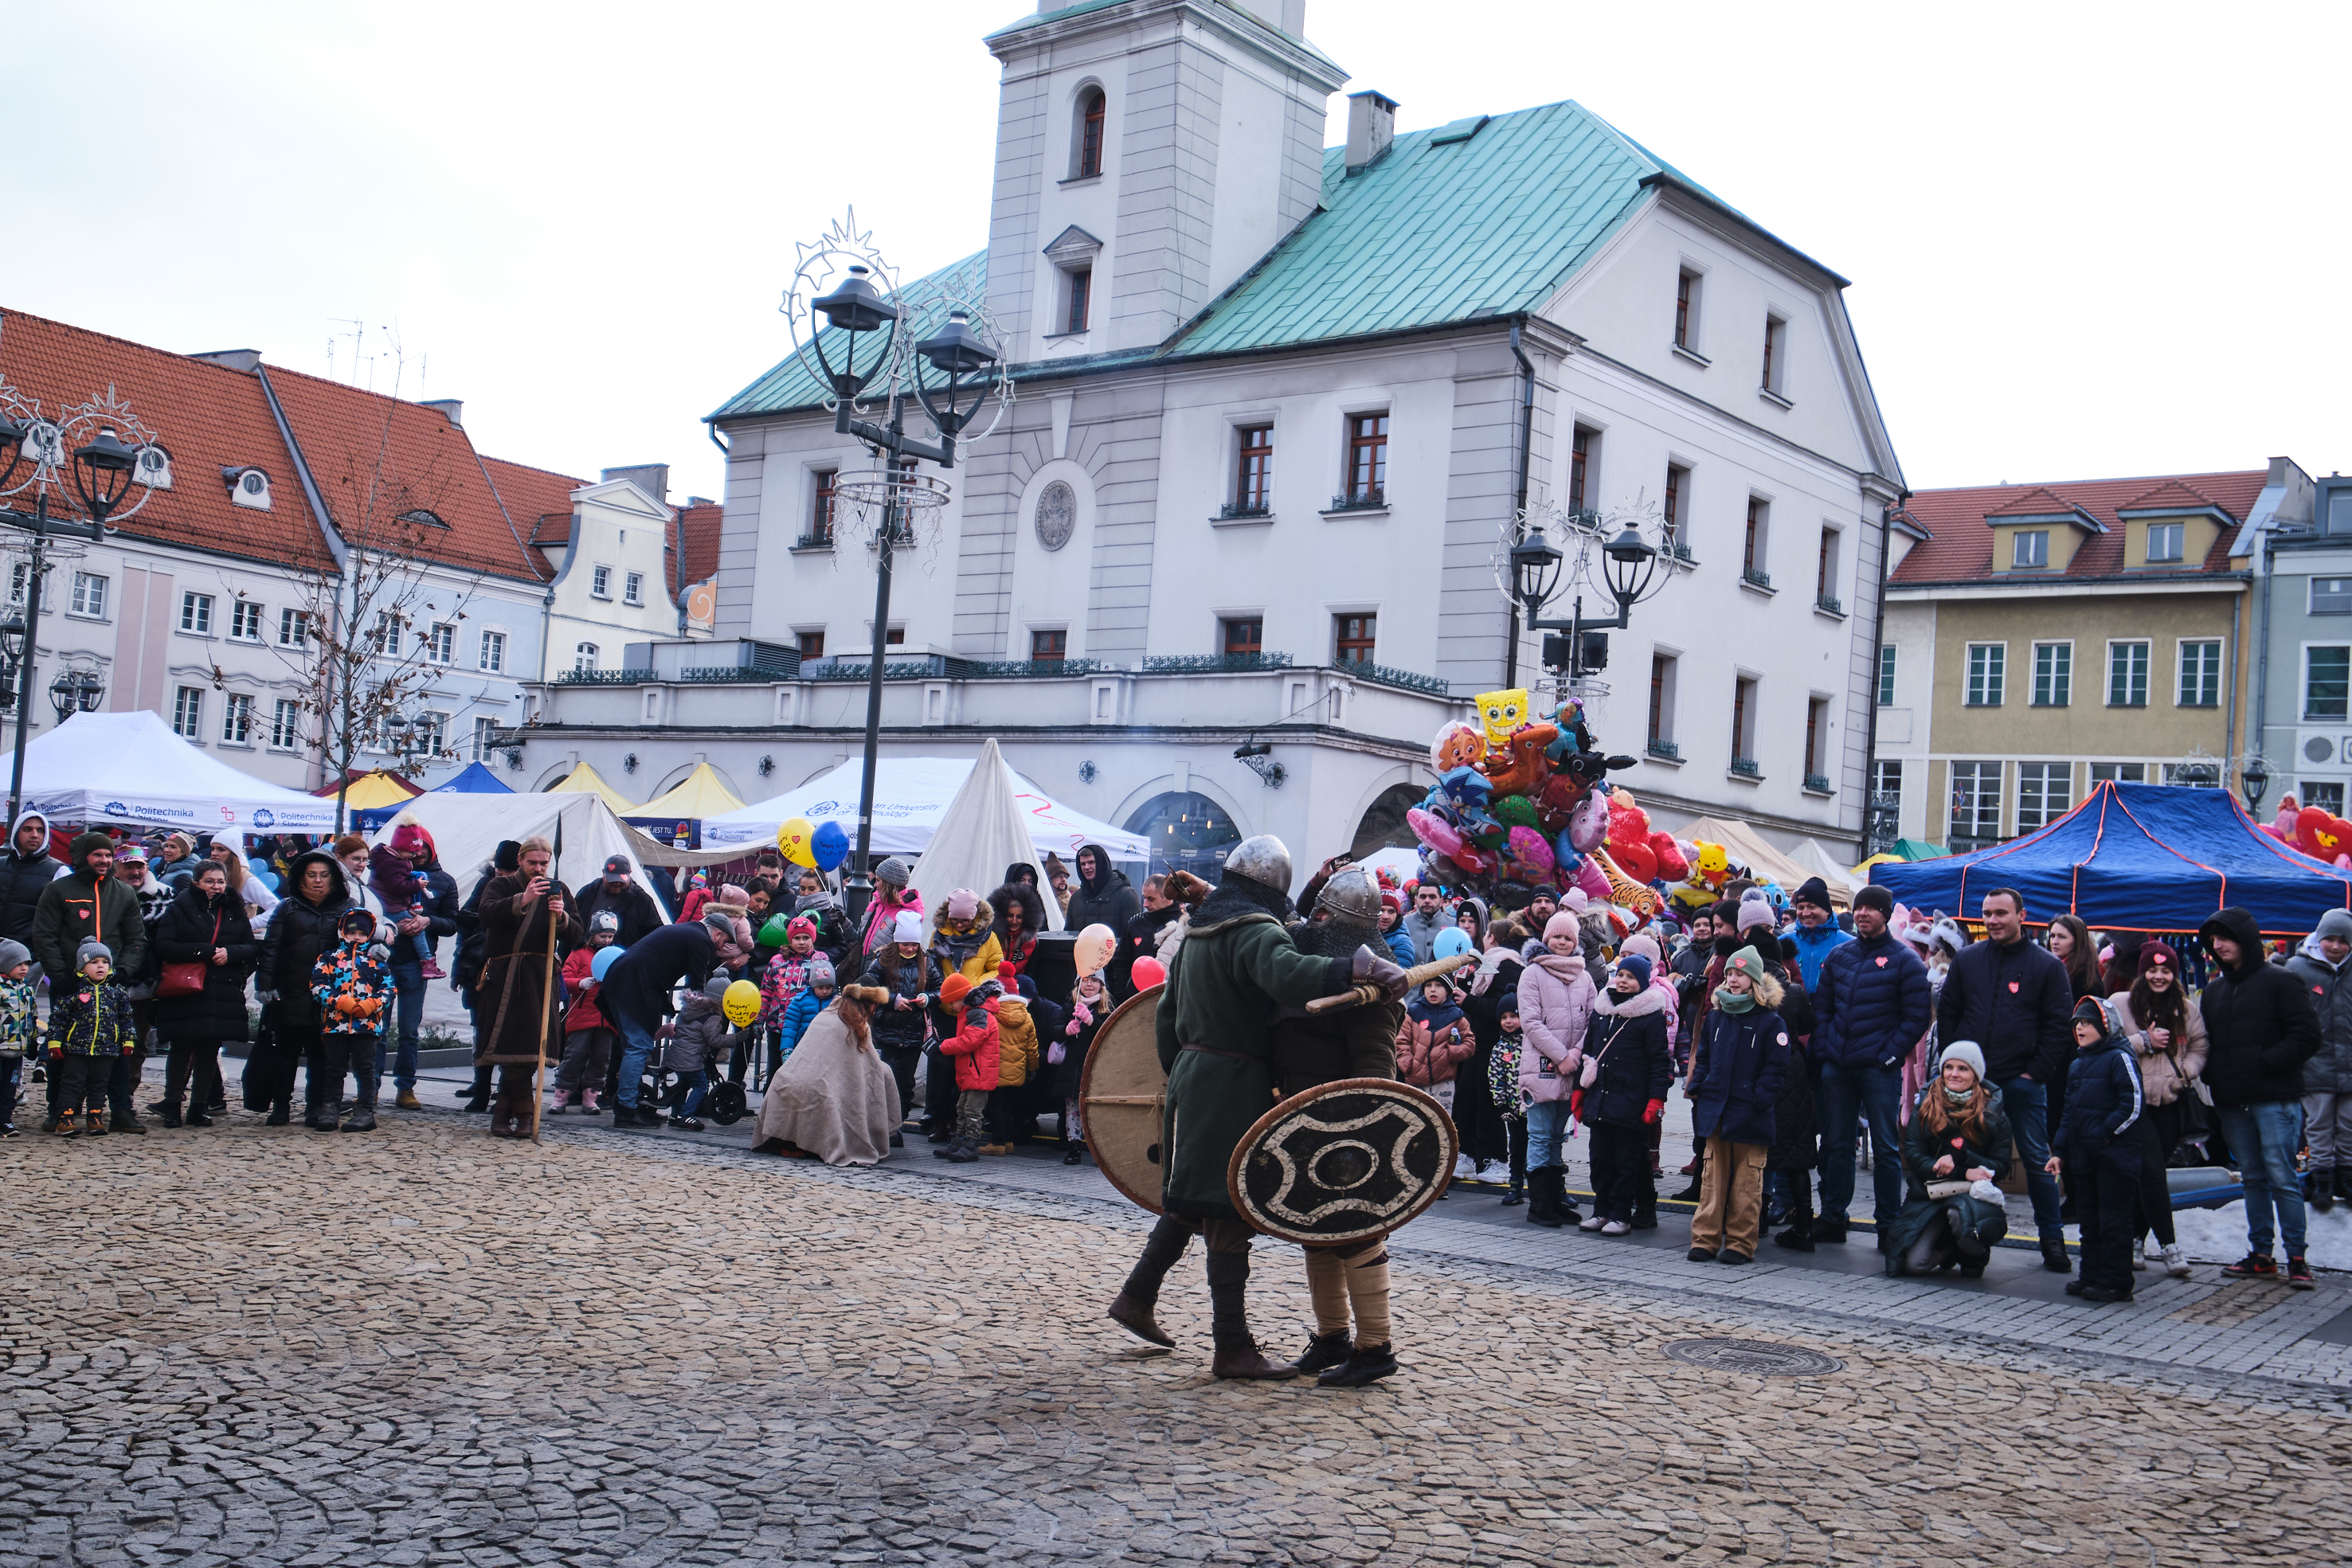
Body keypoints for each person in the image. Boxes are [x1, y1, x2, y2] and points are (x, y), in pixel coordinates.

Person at [1103, 835, 1407, 1381]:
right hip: (1234, 1080)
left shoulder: (1199, 928)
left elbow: (1167, 1016)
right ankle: (1234, 1347)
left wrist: (1187, 1073)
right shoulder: (1252, 929)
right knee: (1223, 1213)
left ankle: (1138, 1295)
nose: (1305, 919)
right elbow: (1286, 972)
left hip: (1199, 1075)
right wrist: (1352, 965)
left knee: (1194, 1201)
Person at [1259, 865, 1410, 1387]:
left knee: (1355, 1230)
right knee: (1315, 1230)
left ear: (1342, 922)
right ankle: (1330, 1338)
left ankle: (1375, 1346)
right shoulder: (1319, 957)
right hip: (1299, 1117)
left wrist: (1352, 1133)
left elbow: (1375, 1068)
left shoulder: (1375, 985)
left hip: (1346, 1126)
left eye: (1324, 913)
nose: (1313, 919)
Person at [1935, 888, 2075, 1272]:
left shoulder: (2046, 966)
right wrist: (1955, 1067)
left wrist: (2035, 1073)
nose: (1992, 920)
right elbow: (1948, 1015)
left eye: (2001, 913)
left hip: (2022, 1082)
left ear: (2021, 916)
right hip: (1972, 1086)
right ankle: (1967, 1242)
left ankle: (2052, 1240)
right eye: (1987, 913)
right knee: (1962, 1157)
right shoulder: (1968, 959)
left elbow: (2058, 1027)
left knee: (2036, 1160)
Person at [2198, 906, 2322, 1288]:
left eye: (2226, 937)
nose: (2219, 946)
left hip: (2275, 1097)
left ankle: (2297, 1257)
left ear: (2246, 940)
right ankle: (2262, 1254)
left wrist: (2264, 1064)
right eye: (2213, 940)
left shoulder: (2281, 981)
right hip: (2233, 1102)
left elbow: (2306, 1036)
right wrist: (2215, 1078)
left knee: (2282, 1177)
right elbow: (2211, 1043)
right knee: (2252, 1178)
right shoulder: (2215, 990)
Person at [1809, 885, 1933, 1250]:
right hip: (1838, 1066)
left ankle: (1888, 1225)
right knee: (1836, 1144)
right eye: (1859, 908)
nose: (1862, 914)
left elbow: (1916, 1018)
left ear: (1884, 913)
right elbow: (1824, 1009)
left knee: (1885, 1148)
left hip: (1878, 1070)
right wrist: (1827, 1050)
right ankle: (1833, 1216)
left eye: (1871, 909)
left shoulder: (1905, 960)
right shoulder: (1840, 955)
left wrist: (1889, 1056)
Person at [32, 833, 147, 1133]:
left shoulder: (123, 893)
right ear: (84, 856)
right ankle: (59, 1110)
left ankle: (120, 1109)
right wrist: (59, 976)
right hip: (71, 987)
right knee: (63, 1052)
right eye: (98, 855)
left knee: (119, 1051)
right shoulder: (58, 890)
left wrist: (123, 971)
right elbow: (44, 936)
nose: (104, 861)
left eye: (109, 856)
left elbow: (136, 938)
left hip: (110, 989)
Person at [1685, 946, 1791, 1265]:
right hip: (1716, 1108)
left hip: (1751, 1111)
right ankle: (1705, 1239)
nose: (1732, 979)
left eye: (1740, 974)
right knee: (1711, 1180)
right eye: (1730, 973)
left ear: (1754, 979)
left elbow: (1777, 1068)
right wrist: (1699, 1086)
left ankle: (1741, 1243)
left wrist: (1760, 1096)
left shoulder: (1771, 1021)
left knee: (1747, 1183)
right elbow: (1703, 1056)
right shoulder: (1717, 1016)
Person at [472, 836, 581, 1138]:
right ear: (520, 861)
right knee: (508, 1046)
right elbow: (486, 914)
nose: (538, 869)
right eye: (532, 863)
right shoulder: (501, 885)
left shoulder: (559, 889)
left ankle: (502, 1116)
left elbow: (577, 933)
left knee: (531, 1049)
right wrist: (523, 899)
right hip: (505, 975)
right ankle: (523, 1114)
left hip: (540, 977)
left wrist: (561, 916)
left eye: (544, 864)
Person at [2106, 941, 2203, 1277]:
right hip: (2133, 1103)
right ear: (2142, 971)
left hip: (2170, 1103)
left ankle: (2135, 1238)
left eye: (2165, 970)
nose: (2158, 976)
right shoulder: (2122, 1003)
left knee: (2151, 1174)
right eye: (2152, 969)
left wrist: (2187, 1073)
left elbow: (2200, 1046)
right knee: (2151, 1171)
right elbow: (2104, 1043)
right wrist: (2143, 1042)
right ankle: (2169, 1246)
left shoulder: (2186, 1009)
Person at [1884, 1041, 2013, 1278]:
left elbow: (2001, 1166)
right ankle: (1950, 1247)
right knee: (1913, 1265)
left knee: (1959, 1216)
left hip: (1971, 1194)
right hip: (1929, 1193)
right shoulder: (1924, 1105)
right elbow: (1914, 1156)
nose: (1954, 1074)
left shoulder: (1996, 1114)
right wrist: (1960, 1171)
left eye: (1963, 1069)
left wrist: (1965, 1160)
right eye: (1949, 1067)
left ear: (1976, 1075)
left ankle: (1974, 1252)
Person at [150, 860, 258, 1129]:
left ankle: (199, 1106)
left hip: (221, 988)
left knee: (210, 1049)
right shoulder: (179, 908)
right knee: (182, 1048)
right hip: (187, 990)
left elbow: (250, 946)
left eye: (220, 881)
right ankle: (172, 1105)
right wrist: (203, 951)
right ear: (197, 882)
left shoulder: (233, 908)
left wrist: (230, 953)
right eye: (210, 881)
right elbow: (164, 946)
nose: (216, 886)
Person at [253, 850, 358, 1128]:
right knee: (285, 1055)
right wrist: (266, 985)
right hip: (290, 991)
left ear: (334, 878)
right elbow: (271, 948)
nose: (318, 881)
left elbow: (360, 945)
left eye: (324, 875)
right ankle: (281, 1107)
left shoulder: (347, 907)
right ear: (301, 877)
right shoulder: (287, 907)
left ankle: (315, 1106)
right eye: (312, 875)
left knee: (321, 1056)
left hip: (330, 995)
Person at [2050, 998, 2146, 1303]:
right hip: (2084, 1156)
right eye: (2076, 1023)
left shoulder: (2120, 1058)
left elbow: (2132, 1104)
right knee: (2089, 1219)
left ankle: (2115, 1281)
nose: (2080, 1028)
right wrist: (2060, 1150)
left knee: (2113, 1220)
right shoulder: (2078, 1063)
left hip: (2113, 1157)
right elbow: (2069, 1111)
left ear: (2106, 1026)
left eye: (2087, 1022)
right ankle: (2090, 1274)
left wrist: (2105, 1134)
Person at [600, 907, 729, 1128]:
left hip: (623, 979)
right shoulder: (702, 940)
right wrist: (701, 1018)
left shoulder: (688, 931)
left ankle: (631, 1103)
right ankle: (626, 1110)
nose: (721, 948)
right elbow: (696, 985)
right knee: (638, 1047)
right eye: (724, 941)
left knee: (633, 1046)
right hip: (632, 984)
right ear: (717, 934)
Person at [1575, 952, 1673, 1236]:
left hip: (1630, 1102)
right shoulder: (1602, 1010)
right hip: (1601, 1098)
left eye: (1630, 978)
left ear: (1643, 983)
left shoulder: (1650, 1017)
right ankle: (1601, 1210)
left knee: (1626, 1162)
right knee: (1600, 1159)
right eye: (1620, 975)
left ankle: (1621, 1213)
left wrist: (1656, 1099)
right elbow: (1588, 1053)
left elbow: (1659, 1061)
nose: (1623, 981)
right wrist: (1580, 1092)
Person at [752, 976, 900, 1163]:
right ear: (870, 1004)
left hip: (785, 1083)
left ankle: (791, 1143)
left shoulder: (826, 1014)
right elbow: (865, 1068)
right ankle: (885, 1133)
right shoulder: (857, 1025)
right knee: (884, 1073)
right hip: (818, 1090)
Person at [1516, 911, 1594, 1229]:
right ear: (1547, 939)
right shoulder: (1532, 974)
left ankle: (1555, 1197)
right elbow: (1531, 1022)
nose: (1562, 943)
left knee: (1557, 1137)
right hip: (1542, 1066)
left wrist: (1576, 1052)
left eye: (1567, 938)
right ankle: (1538, 1203)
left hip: (1571, 1066)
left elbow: (1593, 1019)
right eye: (1557, 937)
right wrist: (1562, 1055)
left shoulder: (1584, 976)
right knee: (1539, 1135)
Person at [2290, 909, 2352, 1216]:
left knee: (2349, 1123)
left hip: (2351, 1064)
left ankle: (2347, 1177)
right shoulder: (2298, 968)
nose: (2336, 946)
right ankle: (2323, 1179)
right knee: (2318, 1123)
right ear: (2319, 938)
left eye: (2344, 940)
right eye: (2330, 939)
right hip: (2316, 1063)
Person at [309, 909, 392, 1132]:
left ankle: (365, 1111)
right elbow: (318, 985)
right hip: (336, 1024)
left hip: (367, 1026)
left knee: (365, 1069)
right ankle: (330, 1109)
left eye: (362, 933)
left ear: (370, 935)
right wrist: (338, 1002)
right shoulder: (329, 958)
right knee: (334, 1068)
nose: (357, 937)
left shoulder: (376, 962)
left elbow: (389, 989)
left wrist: (372, 1004)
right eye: (352, 932)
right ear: (343, 932)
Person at [862, 911, 938, 1138]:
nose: (910, 949)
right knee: (888, 1078)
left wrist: (929, 998)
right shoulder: (882, 961)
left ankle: (897, 1121)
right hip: (887, 1032)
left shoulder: (926, 962)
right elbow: (867, 988)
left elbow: (940, 988)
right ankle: (887, 1127)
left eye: (914, 944)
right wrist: (892, 1000)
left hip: (914, 1035)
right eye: (905, 944)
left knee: (906, 1084)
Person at [46, 940, 132, 1136]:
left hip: (106, 1049)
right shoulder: (72, 990)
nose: (100, 965)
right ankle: (65, 1118)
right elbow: (58, 1018)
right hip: (76, 1048)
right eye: (94, 962)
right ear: (82, 967)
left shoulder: (116, 990)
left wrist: (128, 1041)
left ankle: (95, 1117)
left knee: (99, 1084)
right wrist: (54, 1042)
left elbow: (126, 1018)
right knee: (71, 1083)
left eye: (104, 961)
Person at [553, 910, 621, 1116]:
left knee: (601, 1059)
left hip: (606, 1018)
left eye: (610, 937)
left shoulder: (615, 955)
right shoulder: (579, 953)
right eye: (603, 936)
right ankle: (560, 1096)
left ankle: (591, 1097)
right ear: (593, 934)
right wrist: (579, 983)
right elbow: (565, 980)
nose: (607, 940)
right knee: (574, 1056)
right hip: (582, 1016)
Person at [933, 970, 1000, 1163]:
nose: (952, 1008)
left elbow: (970, 1041)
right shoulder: (971, 1012)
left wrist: (943, 1046)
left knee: (972, 1111)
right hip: (972, 1071)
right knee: (962, 1108)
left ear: (960, 997)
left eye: (952, 1002)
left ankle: (970, 1146)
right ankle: (959, 1143)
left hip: (978, 1071)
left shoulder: (977, 1014)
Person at [664, 976, 743, 1132]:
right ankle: (686, 1115)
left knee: (683, 1085)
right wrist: (736, 1038)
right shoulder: (712, 1016)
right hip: (691, 1059)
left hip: (676, 1055)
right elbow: (715, 1040)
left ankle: (675, 1115)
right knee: (701, 1085)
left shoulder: (690, 1008)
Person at [982, 967, 1041, 1155]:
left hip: (994, 1070)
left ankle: (998, 1143)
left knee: (995, 1107)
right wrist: (1032, 1069)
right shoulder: (1027, 1016)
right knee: (1007, 1106)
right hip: (1016, 1072)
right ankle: (1009, 1141)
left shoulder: (991, 1014)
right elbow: (1032, 1048)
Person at [1054, 968, 1109, 1164]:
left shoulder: (1106, 1008)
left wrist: (1091, 1021)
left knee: (1095, 1110)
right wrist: (1066, 1030)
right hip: (1072, 1067)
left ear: (1101, 985)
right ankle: (1074, 1147)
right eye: (1085, 979)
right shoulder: (1069, 1007)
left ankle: (1099, 1149)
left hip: (1095, 1068)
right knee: (1072, 1109)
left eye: (1094, 980)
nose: (1089, 984)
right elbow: (1054, 1030)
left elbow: (1110, 1034)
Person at [1399, 976, 1473, 1116]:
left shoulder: (1456, 1015)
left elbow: (1469, 1044)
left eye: (1439, 985)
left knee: (1443, 1122)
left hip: (1444, 1081)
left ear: (1447, 990)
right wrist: (1407, 1063)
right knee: (1416, 1119)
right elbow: (1402, 1041)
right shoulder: (1414, 1012)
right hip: (1416, 1080)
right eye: (1428, 985)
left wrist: (1451, 1053)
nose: (1433, 990)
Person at [0, 812, 57, 973]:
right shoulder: (1, 865)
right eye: (28, 829)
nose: (34, 835)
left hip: (29, 960)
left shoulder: (58, 871)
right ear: (17, 832)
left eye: (40, 830)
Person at [571, 854, 663, 949]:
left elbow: (655, 933)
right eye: (612, 879)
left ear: (629, 874)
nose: (617, 883)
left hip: (625, 959)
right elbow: (572, 926)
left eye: (621, 879)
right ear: (603, 873)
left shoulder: (642, 900)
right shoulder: (588, 893)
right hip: (585, 958)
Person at [1489, 1000, 1530, 1206]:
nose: (1509, 1021)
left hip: (1535, 1108)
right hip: (1514, 1112)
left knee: (1542, 1149)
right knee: (1517, 1148)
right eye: (1504, 1017)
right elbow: (1496, 1079)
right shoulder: (1500, 1048)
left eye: (1513, 1016)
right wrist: (1502, 1106)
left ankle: (1551, 1189)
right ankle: (1515, 1187)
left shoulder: (1532, 1043)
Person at [1113, 873, 1179, 997]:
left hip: (1169, 998)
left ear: (1168, 897)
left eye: (1151, 899)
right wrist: (1123, 997)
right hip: (1134, 999)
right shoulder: (1135, 924)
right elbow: (1121, 963)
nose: (1145, 904)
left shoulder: (1182, 926)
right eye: (1144, 898)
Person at [1784, 878, 1852, 995]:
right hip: (1792, 1011)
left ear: (1826, 910)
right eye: (1800, 908)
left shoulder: (1848, 944)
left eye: (1812, 907)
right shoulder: (1784, 943)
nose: (1805, 913)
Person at [1065, 843, 1141, 940]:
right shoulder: (1076, 898)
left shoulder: (1126, 895)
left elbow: (1133, 936)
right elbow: (1069, 935)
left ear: (1102, 863)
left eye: (1091, 862)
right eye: (1082, 864)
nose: (1086, 867)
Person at [774, 956, 835, 1063]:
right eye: (820, 988)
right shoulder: (800, 1001)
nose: (825, 991)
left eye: (828, 988)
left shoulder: (837, 1003)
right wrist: (787, 1049)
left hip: (829, 1051)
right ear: (813, 985)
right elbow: (790, 1028)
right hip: (803, 1050)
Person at [860, 856, 923, 959]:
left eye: (878, 880)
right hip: (865, 969)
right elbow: (858, 940)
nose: (875, 885)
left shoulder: (906, 915)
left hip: (884, 972)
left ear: (888, 884)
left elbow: (905, 955)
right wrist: (844, 925)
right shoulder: (874, 906)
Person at [988, 877, 1047, 985]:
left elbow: (1030, 976)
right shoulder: (991, 937)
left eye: (1019, 916)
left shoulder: (1032, 943)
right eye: (1010, 916)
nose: (1014, 921)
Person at [0, 939, 28, 1135]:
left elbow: (32, 1018)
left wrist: (33, 1040)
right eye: (19, 964)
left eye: (27, 964)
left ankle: (5, 1120)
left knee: (10, 1089)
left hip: (17, 1050)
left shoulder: (26, 991)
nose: (24, 968)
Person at [1402, 882, 1450, 964]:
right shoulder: (1403, 924)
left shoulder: (1453, 925)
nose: (1427, 901)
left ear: (1441, 901)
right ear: (1416, 901)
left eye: (1432, 897)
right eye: (1423, 897)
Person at [1376, 892, 1415, 966]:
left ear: (1397, 915)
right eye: (1381, 910)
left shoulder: (1403, 942)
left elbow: (1401, 975)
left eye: (1391, 912)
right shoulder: (1360, 934)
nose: (1385, 916)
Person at [1043, 854, 1074, 920]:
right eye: (1059, 876)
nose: (1063, 880)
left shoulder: (1071, 899)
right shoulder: (1044, 899)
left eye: (1065, 876)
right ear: (1050, 879)